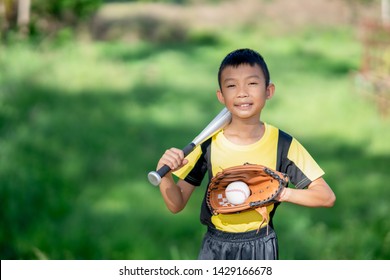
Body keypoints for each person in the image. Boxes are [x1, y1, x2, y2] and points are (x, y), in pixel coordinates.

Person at [156, 48, 336, 260]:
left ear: (268, 91)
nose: (242, 93)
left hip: (261, 246)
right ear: (221, 96)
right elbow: (176, 205)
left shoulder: (283, 144)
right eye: (232, 85)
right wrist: (165, 176)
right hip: (216, 247)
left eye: (252, 83)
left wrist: (281, 194)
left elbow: (326, 197)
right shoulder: (208, 144)